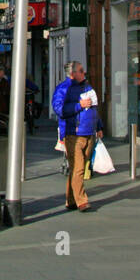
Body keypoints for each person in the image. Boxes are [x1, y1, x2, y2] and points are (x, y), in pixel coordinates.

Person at [51, 62, 100, 211]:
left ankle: (71, 200)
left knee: (76, 168)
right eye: (80, 70)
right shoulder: (63, 89)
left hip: (88, 132)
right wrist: (79, 105)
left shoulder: (87, 87)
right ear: (72, 73)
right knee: (78, 168)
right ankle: (82, 201)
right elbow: (59, 109)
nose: (84, 73)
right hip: (74, 134)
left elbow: (94, 107)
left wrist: (99, 126)